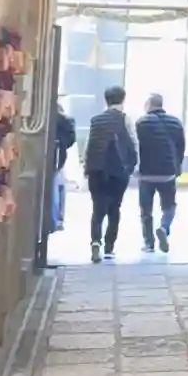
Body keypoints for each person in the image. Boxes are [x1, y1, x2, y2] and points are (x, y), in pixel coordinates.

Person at [82, 86, 138, 262]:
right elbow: (133, 142)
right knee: (114, 208)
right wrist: (132, 166)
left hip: (96, 169)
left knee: (97, 208)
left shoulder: (96, 120)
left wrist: (86, 167)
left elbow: (89, 145)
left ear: (106, 100)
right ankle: (109, 247)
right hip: (118, 170)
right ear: (123, 99)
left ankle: (95, 241)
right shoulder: (125, 119)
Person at [135, 91, 186, 254]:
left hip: (146, 174)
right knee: (169, 206)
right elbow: (181, 148)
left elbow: (136, 147)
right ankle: (164, 227)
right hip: (167, 173)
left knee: (146, 210)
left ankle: (149, 244)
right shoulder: (176, 123)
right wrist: (177, 168)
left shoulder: (141, 123)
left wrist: (134, 167)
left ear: (148, 105)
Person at [51, 100, 76, 233]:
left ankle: (53, 220)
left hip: (52, 156)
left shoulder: (49, 117)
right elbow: (71, 139)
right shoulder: (65, 120)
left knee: (54, 187)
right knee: (57, 187)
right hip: (58, 157)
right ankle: (56, 219)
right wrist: (62, 146)